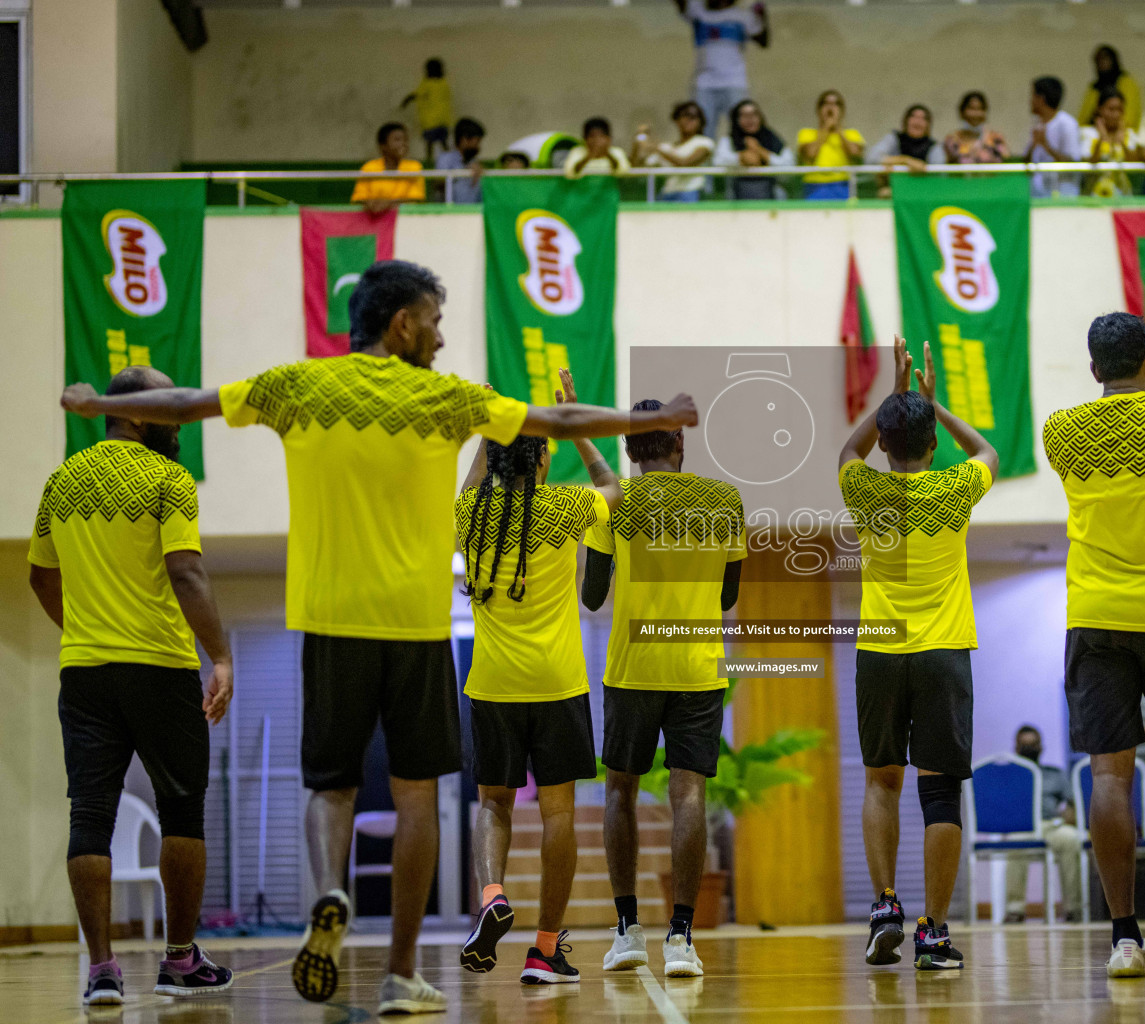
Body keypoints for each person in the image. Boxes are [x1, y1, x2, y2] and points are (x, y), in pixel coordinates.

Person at [59, 260, 700, 1016]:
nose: (440, 334)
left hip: (331, 623)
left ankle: (329, 893)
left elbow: (190, 404)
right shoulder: (446, 397)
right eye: (433, 319)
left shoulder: (299, 384)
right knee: (416, 795)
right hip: (421, 631)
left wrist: (97, 400)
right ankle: (400, 972)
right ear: (402, 323)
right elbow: (554, 424)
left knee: (331, 789)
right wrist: (645, 423)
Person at [30, 366, 235, 1007]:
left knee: (89, 815)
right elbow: (187, 572)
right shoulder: (168, 479)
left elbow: (40, 579)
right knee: (182, 809)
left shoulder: (61, 481)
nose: (178, 416)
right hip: (158, 666)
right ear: (143, 414)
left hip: (84, 672)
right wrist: (222, 655)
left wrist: (89, 628)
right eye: (169, 405)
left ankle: (101, 970)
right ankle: (178, 960)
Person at [1041, 312, 1145, 977]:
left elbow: (1117, 440)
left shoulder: (1060, 431)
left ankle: (1124, 938)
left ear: (1092, 370)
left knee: (1110, 775)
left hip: (1095, 615)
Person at [457, 369, 623, 983]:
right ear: (543, 462)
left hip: (493, 685)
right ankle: (545, 948)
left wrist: (488, 423)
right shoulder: (562, 504)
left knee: (494, 805)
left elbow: (473, 479)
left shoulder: (471, 512)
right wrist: (573, 421)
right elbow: (612, 484)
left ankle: (493, 894)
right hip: (557, 684)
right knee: (558, 815)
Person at [839, 337, 998, 972]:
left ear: (885, 443)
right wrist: (932, 401)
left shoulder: (863, 487)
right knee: (940, 796)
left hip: (880, 652)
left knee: (881, 780)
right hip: (942, 652)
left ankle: (884, 907)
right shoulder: (955, 487)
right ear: (933, 446)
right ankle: (933, 934)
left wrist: (893, 396)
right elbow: (986, 450)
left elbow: (848, 449)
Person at [583, 401, 746, 980]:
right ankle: (681, 937)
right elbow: (727, 597)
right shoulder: (724, 502)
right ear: (680, 443)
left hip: (631, 669)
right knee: (689, 797)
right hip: (698, 670)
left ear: (629, 449)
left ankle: (627, 931)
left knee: (620, 794)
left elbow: (593, 596)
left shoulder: (617, 502)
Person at [1006, 727, 1085, 925]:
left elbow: (1073, 804)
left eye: (1033, 744)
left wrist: (1069, 814)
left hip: (1051, 826)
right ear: (1016, 747)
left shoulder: (1054, 774)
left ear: (1041, 747)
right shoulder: (1010, 777)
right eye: (1024, 745)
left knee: (1071, 838)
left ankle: (1073, 909)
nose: (1029, 748)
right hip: (1022, 829)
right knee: (1014, 842)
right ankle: (1015, 910)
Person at [676, 0, 769, 141]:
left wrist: (762, 14)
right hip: (704, 83)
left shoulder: (742, 16)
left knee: (743, 127)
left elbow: (763, 41)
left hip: (735, 82)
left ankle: (746, 160)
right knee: (702, 131)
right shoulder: (698, 10)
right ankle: (703, 162)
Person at [634, 101, 715, 203]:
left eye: (694, 116)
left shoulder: (705, 143)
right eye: (685, 115)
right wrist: (638, 140)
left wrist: (657, 148)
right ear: (677, 120)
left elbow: (685, 163)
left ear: (700, 122)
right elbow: (637, 165)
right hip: (666, 195)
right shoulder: (667, 147)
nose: (689, 120)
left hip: (690, 194)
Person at [716, 99, 793, 200]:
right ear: (736, 119)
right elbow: (718, 162)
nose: (750, 119)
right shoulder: (728, 141)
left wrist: (762, 152)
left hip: (770, 196)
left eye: (754, 115)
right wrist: (741, 158)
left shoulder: (773, 140)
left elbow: (789, 168)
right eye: (744, 116)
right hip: (737, 197)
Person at [797, 90, 864, 201]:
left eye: (835, 104)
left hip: (843, 185)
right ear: (818, 110)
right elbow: (810, 154)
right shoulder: (806, 133)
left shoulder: (852, 134)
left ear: (842, 111)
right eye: (826, 104)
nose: (830, 108)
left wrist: (838, 130)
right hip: (815, 186)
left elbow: (855, 154)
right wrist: (826, 128)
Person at [868, 104, 944, 198]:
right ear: (905, 121)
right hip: (892, 191)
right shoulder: (894, 138)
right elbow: (871, 158)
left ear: (928, 125)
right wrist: (905, 161)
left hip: (922, 193)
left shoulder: (934, 147)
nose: (918, 122)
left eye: (923, 119)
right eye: (913, 117)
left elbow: (937, 175)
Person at [352, 122, 426, 214]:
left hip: (404, 221)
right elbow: (360, 198)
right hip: (373, 221)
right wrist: (370, 204)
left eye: (405, 140)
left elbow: (415, 199)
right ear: (383, 146)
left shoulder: (415, 167)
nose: (403, 144)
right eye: (397, 140)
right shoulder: (369, 167)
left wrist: (387, 203)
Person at [1027, 76, 1082, 198]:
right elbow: (1028, 163)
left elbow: (1073, 162)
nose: (1030, 101)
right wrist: (1033, 145)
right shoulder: (1037, 125)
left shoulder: (1067, 123)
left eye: (1032, 96)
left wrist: (1047, 147)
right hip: (1038, 194)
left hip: (1062, 195)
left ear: (1041, 99)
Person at [1082, 89, 1139, 197]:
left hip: (1123, 196)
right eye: (1111, 109)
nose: (1116, 114)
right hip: (1094, 196)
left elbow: (1135, 163)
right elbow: (1091, 163)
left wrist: (1122, 143)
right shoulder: (1088, 133)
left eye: (1120, 110)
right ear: (1100, 109)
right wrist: (1101, 139)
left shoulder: (1130, 134)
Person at [400, 58, 452, 161]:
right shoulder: (443, 83)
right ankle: (448, 158)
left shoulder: (427, 83)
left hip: (431, 121)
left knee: (430, 142)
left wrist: (406, 100)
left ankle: (429, 159)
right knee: (443, 141)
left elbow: (417, 94)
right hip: (442, 120)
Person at [1078, 44, 1140, 129]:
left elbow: (1129, 117)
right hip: (1094, 133)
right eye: (1098, 61)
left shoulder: (1127, 82)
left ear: (1114, 60)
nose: (1102, 64)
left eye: (1105, 59)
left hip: (1121, 133)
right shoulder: (1094, 87)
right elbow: (1083, 119)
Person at [943, 91, 1009, 165]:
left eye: (980, 109)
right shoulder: (952, 139)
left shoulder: (996, 138)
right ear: (962, 112)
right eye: (971, 109)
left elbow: (1006, 159)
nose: (976, 114)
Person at [436, 117, 486, 204]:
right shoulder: (445, 159)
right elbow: (439, 184)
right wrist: (463, 173)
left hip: (473, 213)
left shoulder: (474, 162)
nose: (478, 147)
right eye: (477, 142)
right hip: (451, 213)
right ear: (464, 140)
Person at [564, 118, 632, 179]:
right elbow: (570, 173)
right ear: (585, 139)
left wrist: (608, 155)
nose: (596, 140)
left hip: (608, 193)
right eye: (592, 136)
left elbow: (623, 171)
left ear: (609, 139)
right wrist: (588, 157)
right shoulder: (577, 152)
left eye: (601, 136)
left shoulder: (617, 152)